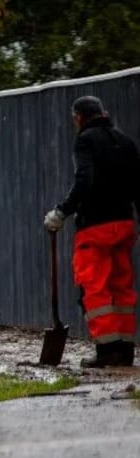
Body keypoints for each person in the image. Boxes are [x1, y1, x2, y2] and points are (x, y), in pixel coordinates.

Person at [45, 96, 140, 367]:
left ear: (79, 118)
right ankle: (124, 350)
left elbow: (84, 180)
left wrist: (61, 212)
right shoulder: (126, 142)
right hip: (124, 226)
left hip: (95, 228)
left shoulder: (85, 141)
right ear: (103, 113)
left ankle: (107, 351)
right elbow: (138, 184)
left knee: (95, 288)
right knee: (121, 287)